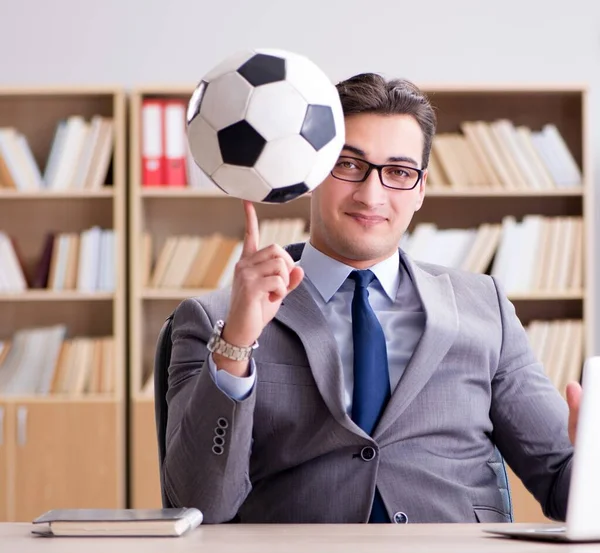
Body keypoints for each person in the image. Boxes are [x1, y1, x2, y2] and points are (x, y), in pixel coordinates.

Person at [162, 72, 582, 525]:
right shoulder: (215, 320)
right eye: (348, 164)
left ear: (420, 189)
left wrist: (591, 459)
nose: (371, 194)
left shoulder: (485, 307)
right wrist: (237, 345)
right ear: (313, 173)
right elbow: (196, 506)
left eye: (399, 172)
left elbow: (565, 485)